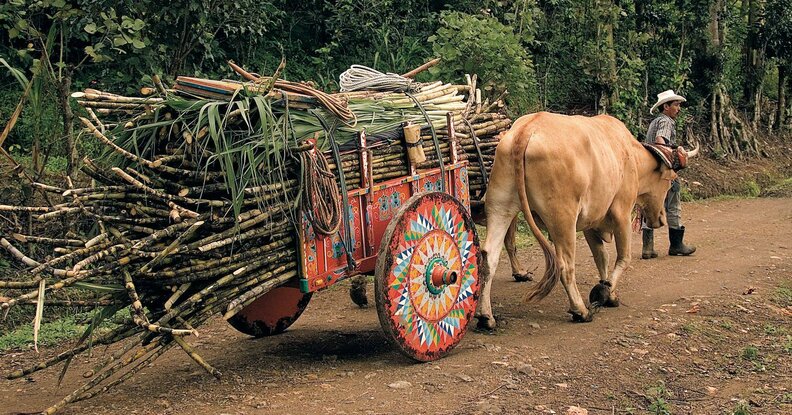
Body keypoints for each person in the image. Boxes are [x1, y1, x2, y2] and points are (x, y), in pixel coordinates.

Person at [642, 89, 696, 258]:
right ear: (666, 106)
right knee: (673, 205)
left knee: (649, 205)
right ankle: (676, 245)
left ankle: (648, 248)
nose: (679, 108)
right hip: (663, 172)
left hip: (649, 171)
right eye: (676, 105)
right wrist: (675, 152)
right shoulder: (666, 121)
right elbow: (660, 142)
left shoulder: (655, 121)